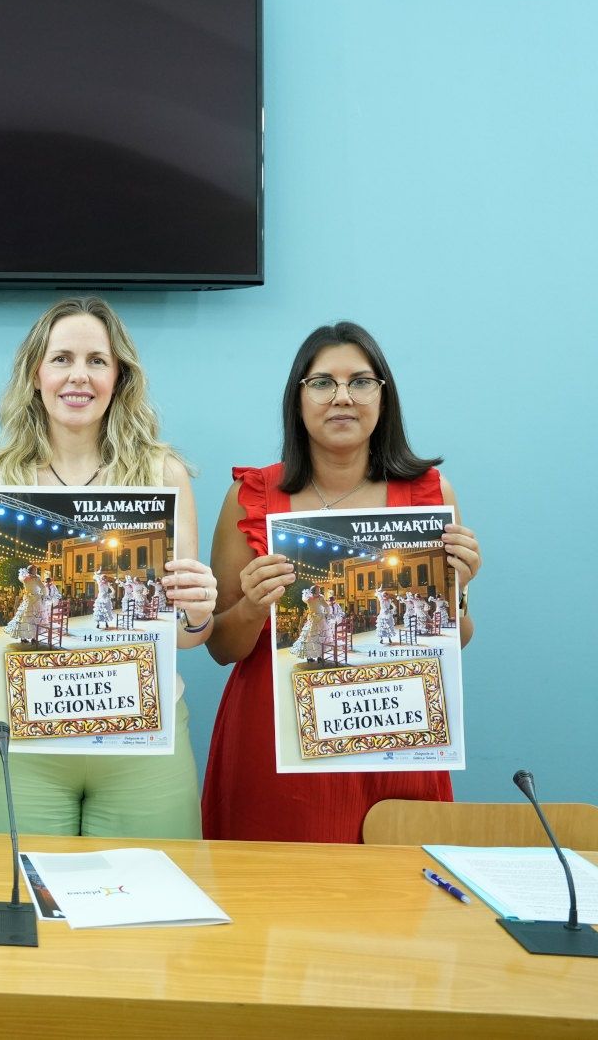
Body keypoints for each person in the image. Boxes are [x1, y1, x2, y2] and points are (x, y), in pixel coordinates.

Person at [0, 296, 217, 839]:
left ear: (119, 376)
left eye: (97, 360)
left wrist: (198, 611)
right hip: (21, 735)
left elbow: (189, 637)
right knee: (8, 908)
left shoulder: (163, 476)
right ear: (35, 374)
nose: (79, 375)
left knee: (151, 914)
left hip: (143, 736)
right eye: (61, 358)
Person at [202, 321, 481, 843]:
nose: (342, 397)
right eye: (323, 382)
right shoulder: (251, 495)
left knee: (400, 907)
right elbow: (220, 647)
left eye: (360, 381)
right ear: (298, 398)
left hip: (394, 733)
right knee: (275, 909)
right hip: (278, 741)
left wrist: (457, 591)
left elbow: (456, 641)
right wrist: (251, 608)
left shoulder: (428, 493)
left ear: (383, 395)